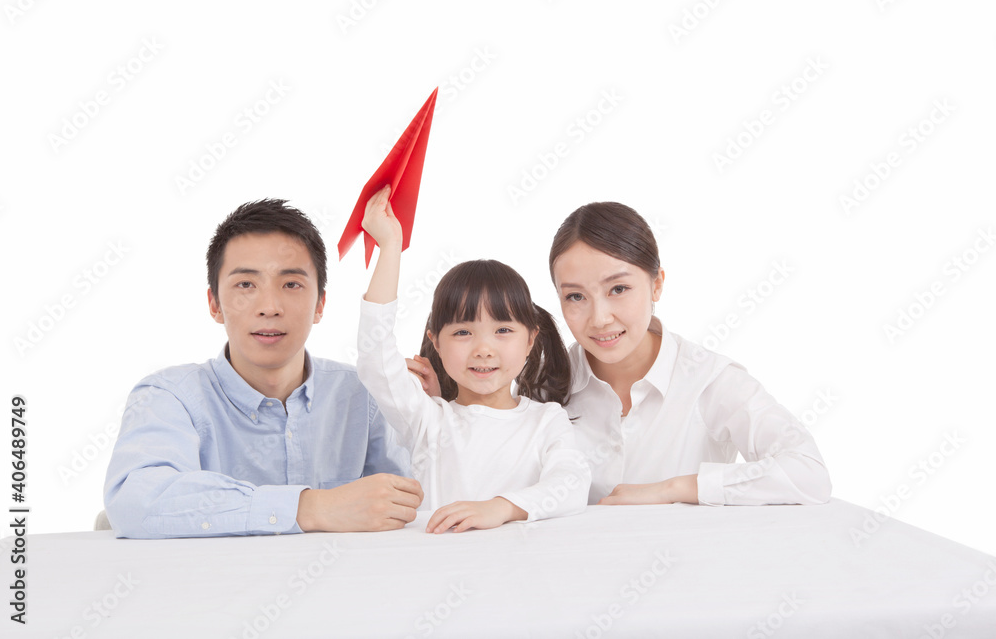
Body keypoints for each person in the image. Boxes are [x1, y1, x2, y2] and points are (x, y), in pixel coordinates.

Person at [410, 201, 831, 507]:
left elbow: (808, 473)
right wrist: (440, 402)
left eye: (618, 289)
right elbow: (486, 467)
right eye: (575, 296)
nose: (599, 319)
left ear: (657, 285)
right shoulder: (543, 382)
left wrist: (673, 489)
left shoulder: (710, 381)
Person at [104, 199, 422, 538]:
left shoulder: (364, 396)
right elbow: (135, 503)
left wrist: (437, 409)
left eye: (291, 284)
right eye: (245, 285)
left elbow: (416, 504)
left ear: (320, 304)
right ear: (215, 304)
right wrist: (312, 507)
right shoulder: (170, 396)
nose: (269, 307)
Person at [357, 187, 590, 533]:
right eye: (463, 333)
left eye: (503, 331)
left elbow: (571, 483)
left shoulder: (546, 420)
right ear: (435, 341)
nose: (483, 349)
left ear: (530, 340)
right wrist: (390, 246)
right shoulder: (429, 421)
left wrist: (500, 508)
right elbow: (375, 356)